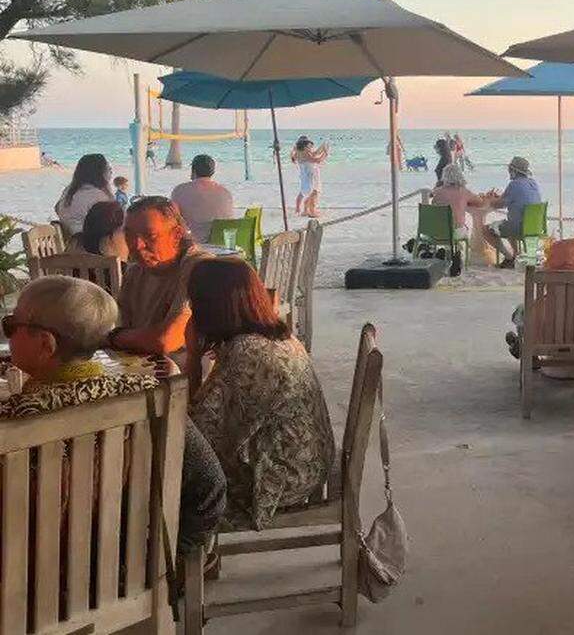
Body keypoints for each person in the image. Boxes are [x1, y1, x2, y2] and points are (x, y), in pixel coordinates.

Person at [0, 275, 227, 553]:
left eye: (11, 326)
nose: (7, 335)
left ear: (46, 344)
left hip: (28, 586)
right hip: (123, 573)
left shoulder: (17, 417)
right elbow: (210, 484)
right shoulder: (147, 395)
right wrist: (171, 559)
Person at [186, 258, 335, 530]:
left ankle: (181, 554)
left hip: (278, 481)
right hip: (308, 462)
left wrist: (193, 357)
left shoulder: (246, 352)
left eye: (194, 302)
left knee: (172, 473)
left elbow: (195, 433)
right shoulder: (278, 335)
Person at [107, 196, 211, 356]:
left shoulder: (199, 268)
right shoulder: (135, 271)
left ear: (177, 235)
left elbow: (165, 341)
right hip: (140, 366)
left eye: (149, 235)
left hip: (186, 374)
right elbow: (117, 322)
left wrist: (112, 337)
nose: (136, 245)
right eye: (129, 235)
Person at [483, 156, 543, 269]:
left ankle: (509, 257)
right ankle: (516, 254)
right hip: (535, 226)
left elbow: (498, 204)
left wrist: (490, 199)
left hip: (518, 227)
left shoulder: (514, 184)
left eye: (510, 170)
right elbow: (516, 199)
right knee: (509, 222)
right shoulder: (533, 183)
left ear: (514, 171)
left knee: (486, 229)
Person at [170, 154, 235, 243]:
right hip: (222, 246)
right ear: (212, 172)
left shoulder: (179, 190)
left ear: (193, 171)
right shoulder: (226, 193)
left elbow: (173, 219)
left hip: (193, 246)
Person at [55, 153, 115, 235]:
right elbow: (111, 223)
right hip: (90, 242)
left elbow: (57, 208)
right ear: (99, 173)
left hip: (71, 241)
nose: (111, 172)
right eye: (108, 169)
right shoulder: (97, 195)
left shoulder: (69, 191)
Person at [431, 162, 486, 239]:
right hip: (454, 233)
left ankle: (450, 249)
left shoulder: (437, 191)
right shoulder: (463, 191)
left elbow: (432, 195)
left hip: (435, 232)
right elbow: (480, 203)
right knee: (464, 228)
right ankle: (458, 249)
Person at [291, 136, 330, 217]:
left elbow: (314, 153)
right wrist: (325, 153)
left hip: (305, 175)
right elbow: (317, 160)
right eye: (309, 146)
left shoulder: (299, 153)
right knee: (314, 192)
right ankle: (312, 212)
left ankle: (303, 210)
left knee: (305, 192)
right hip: (310, 175)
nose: (311, 148)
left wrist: (322, 148)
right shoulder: (306, 153)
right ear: (305, 146)